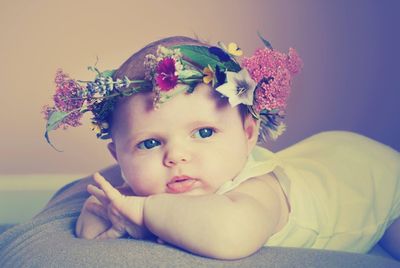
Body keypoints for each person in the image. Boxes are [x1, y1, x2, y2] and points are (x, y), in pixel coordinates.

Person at [43, 36, 400, 260]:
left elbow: (230, 236)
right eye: (149, 143)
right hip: (322, 156)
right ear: (118, 157)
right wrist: (108, 211)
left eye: (203, 133)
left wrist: (145, 213)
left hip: (371, 181)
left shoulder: (257, 191)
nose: (177, 157)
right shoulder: (144, 187)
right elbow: (90, 230)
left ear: (247, 134)